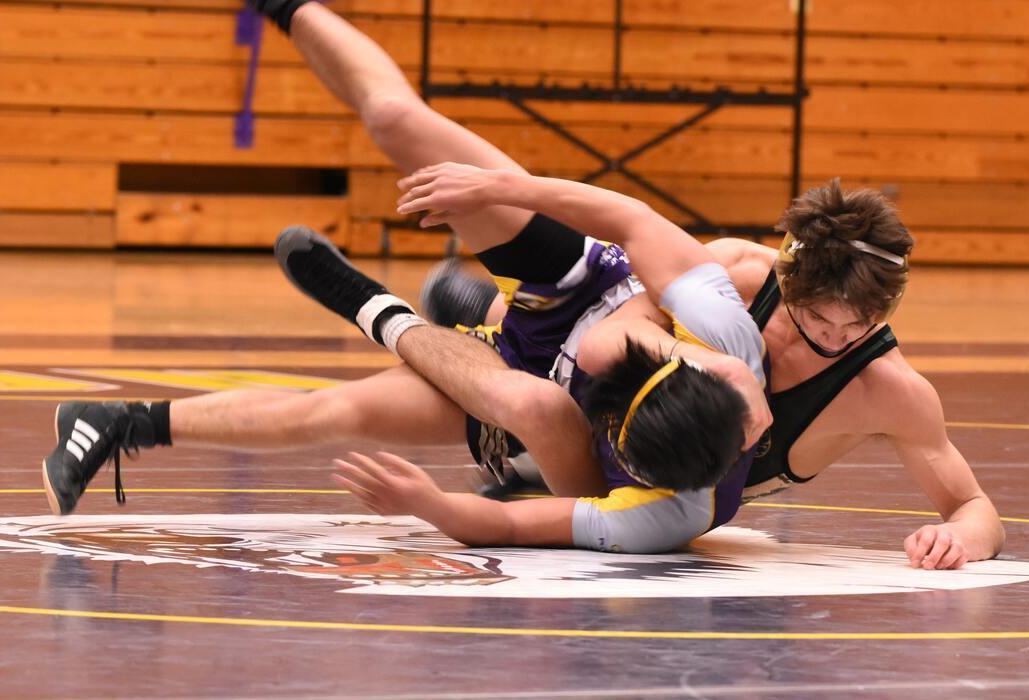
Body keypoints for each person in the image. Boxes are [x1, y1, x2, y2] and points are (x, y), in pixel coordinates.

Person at [41, 0, 772, 554]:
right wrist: (501, 192)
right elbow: (635, 225)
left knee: (343, 412)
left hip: (531, 405)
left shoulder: (662, 515)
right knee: (395, 120)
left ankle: (119, 422)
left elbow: (506, 528)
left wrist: (429, 504)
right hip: (579, 289)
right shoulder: (726, 361)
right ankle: (287, 6)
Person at [404, 168, 1006, 571]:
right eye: (820, 321)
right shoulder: (739, 275)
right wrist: (719, 367)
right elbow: (610, 339)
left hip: (664, 474)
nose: (837, 340)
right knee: (557, 341)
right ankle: (476, 309)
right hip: (601, 381)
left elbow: (973, 506)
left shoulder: (891, 390)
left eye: (859, 327)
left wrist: (961, 538)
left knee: (613, 503)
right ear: (788, 280)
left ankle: (474, 319)